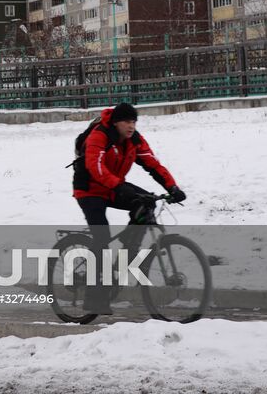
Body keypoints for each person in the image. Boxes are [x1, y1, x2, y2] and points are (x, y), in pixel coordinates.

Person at [72, 102, 186, 314]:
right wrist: (119, 186)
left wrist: (172, 186)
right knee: (102, 238)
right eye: (126, 121)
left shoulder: (134, 139)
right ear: (116, 122)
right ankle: (94, 297)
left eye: (134, 121)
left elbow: (153, 164)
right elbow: (95, 167)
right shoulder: (100, 135)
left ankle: (129, 249)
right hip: (89, 190)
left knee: (146, 201)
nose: (131, 126)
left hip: (113, 185)